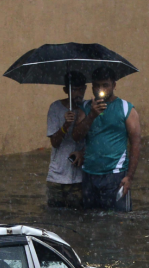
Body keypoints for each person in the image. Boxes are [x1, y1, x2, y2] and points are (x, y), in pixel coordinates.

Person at [71, 66, 141, 212]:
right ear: (92, 87)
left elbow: (135, 144)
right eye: (96, 86)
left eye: (105, 85)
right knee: (91, 219)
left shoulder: (126, 108)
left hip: (116, 175)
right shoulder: (85, 108)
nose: (100, 89)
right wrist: (92, 115)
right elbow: (76, 136)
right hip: (90, 174)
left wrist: (129, 177)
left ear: (114, 85)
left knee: (118, 219)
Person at [46, 71, 87, 208]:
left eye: (81, 89)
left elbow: (95, 140)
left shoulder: (88, 108)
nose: (78, 94)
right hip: (57, 177)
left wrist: (83, 152)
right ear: (66, 90)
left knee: (78, 215)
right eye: (74, 90)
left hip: (79, 178)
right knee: (54, 214)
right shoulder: (55, 108)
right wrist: (65, 126)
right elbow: (54, 143)